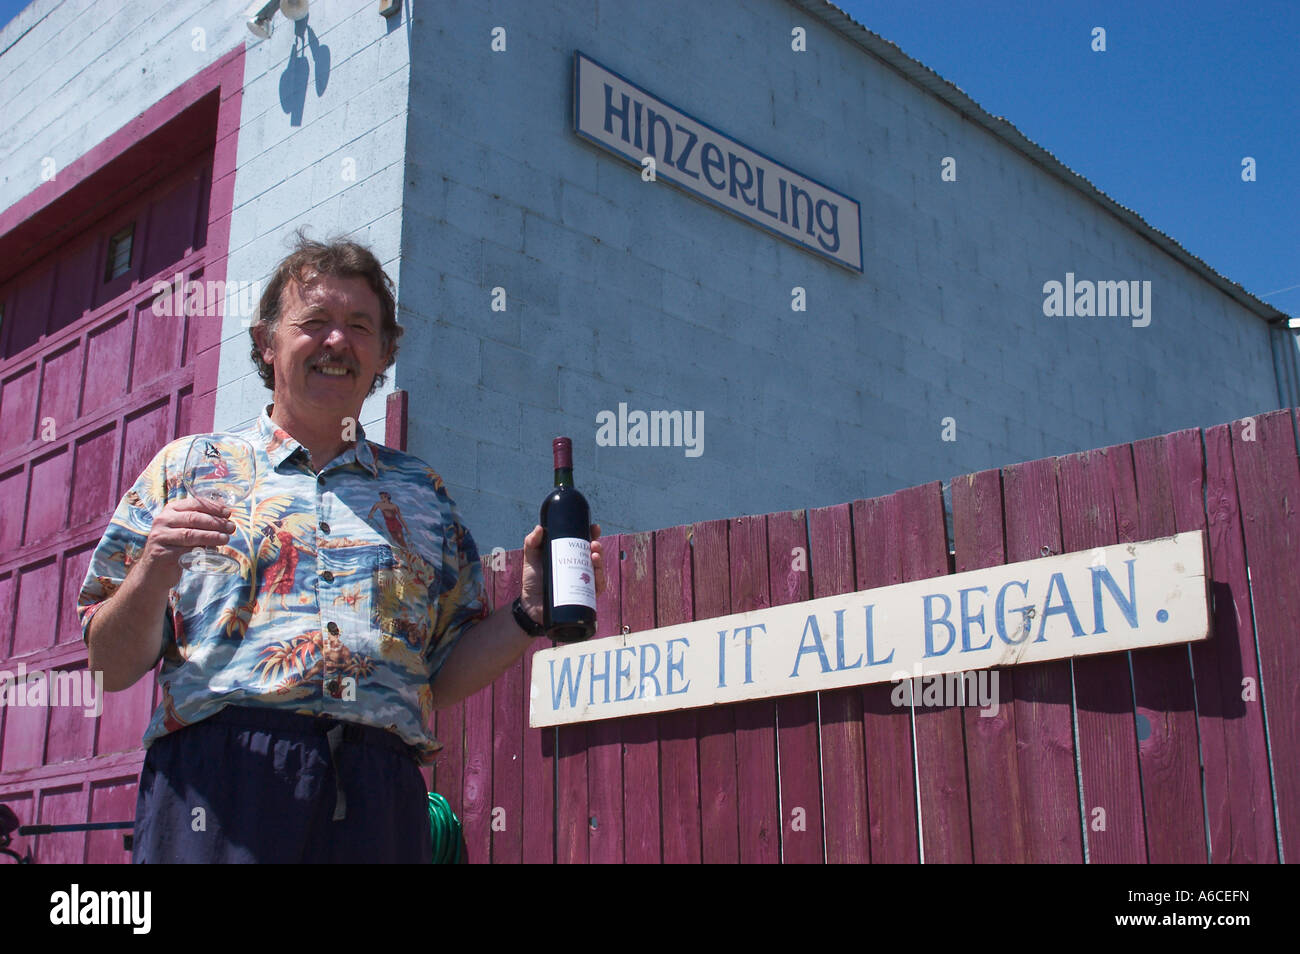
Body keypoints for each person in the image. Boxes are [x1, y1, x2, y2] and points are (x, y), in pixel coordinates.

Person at [78, 233, 603, 863]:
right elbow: (109, 667)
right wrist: (153, 572)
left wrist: (528, 615)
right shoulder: (188, 469)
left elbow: (441, 671)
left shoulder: (422, 494)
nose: (338, 341)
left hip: (377, 797)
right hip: (217, 789)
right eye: (316, 321)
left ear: (383, 354)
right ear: (266, 342)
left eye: (360, 325)